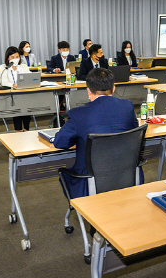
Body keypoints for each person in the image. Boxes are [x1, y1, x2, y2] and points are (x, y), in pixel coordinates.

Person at [52, 68, 139, 198]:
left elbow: (60, 142)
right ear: (114, 88)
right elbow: (133, 129)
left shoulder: (78, 114)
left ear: (88, 90)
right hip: (126, 175)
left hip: (90, 181)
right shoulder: (127, 106)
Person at [0, 46, 32, 132]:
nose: (15, 59)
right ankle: (17, 130)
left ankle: (26, 129)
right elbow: (3, 82)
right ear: (8, 58)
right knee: (17, 108)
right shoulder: (4, 67)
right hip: (12, 95)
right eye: (12, 57)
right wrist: (13, 84)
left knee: (26, 106)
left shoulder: (23, 66)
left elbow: (30, 77)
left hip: (24, 93)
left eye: (17, 57)